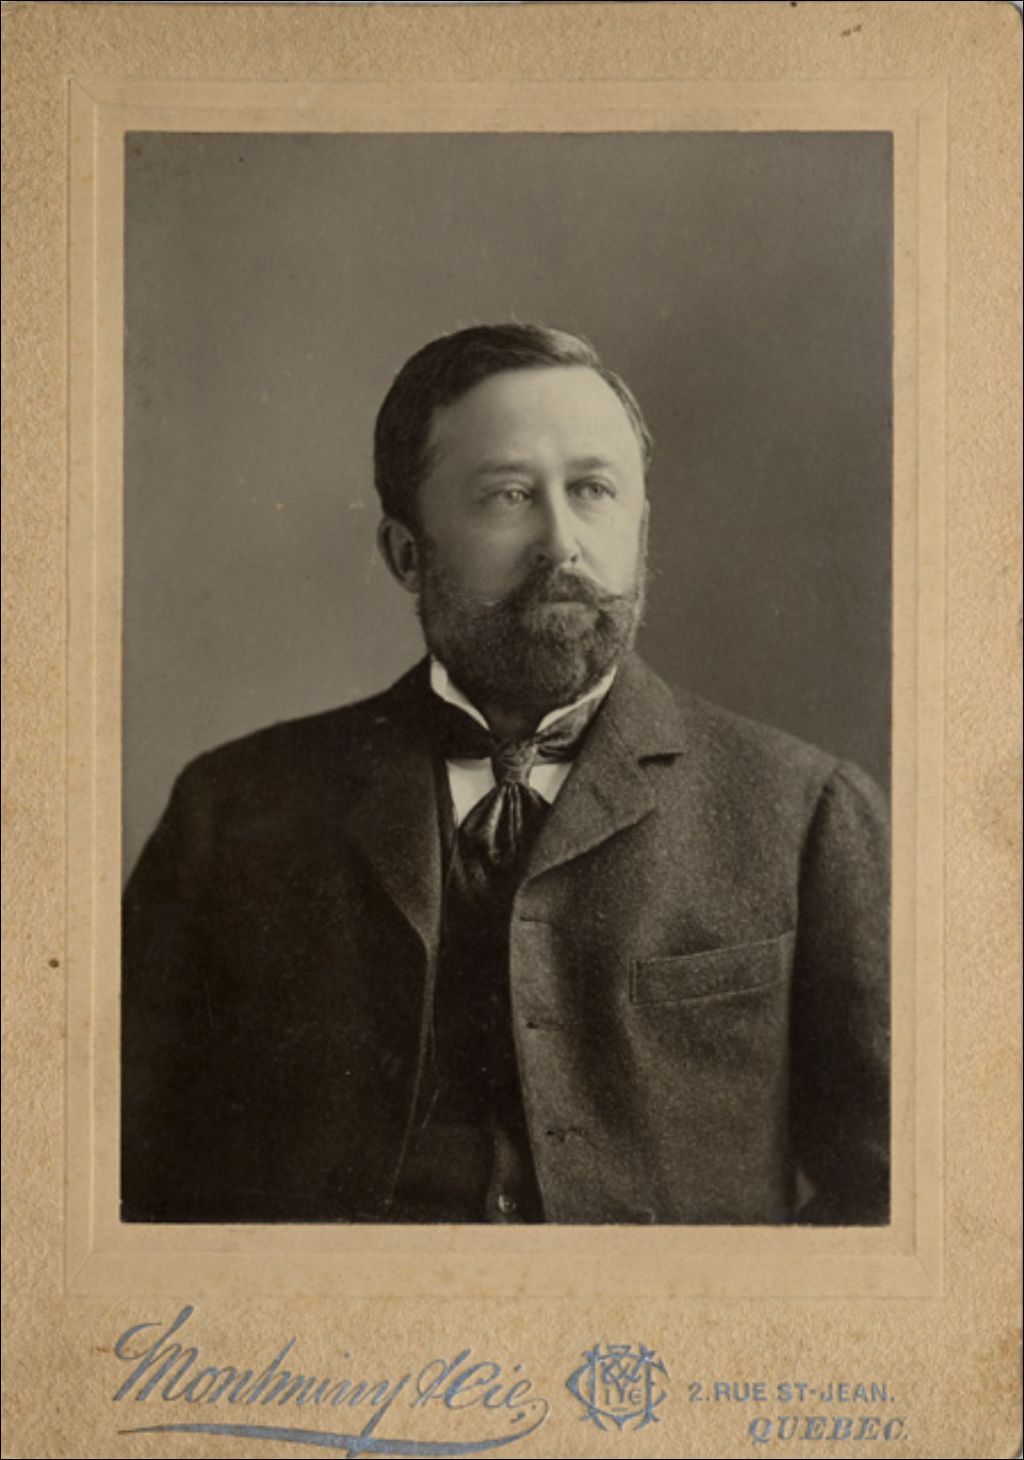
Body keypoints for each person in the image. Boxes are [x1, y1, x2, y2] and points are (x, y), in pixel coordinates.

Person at [121, 323, 890, 1227]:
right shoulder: (233, 812)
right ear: (407, 553)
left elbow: (892, 1194)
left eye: (594, 490)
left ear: (641, 526)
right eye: (509, 496)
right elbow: (122, 1176)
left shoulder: (806, 813)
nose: (561, 542)